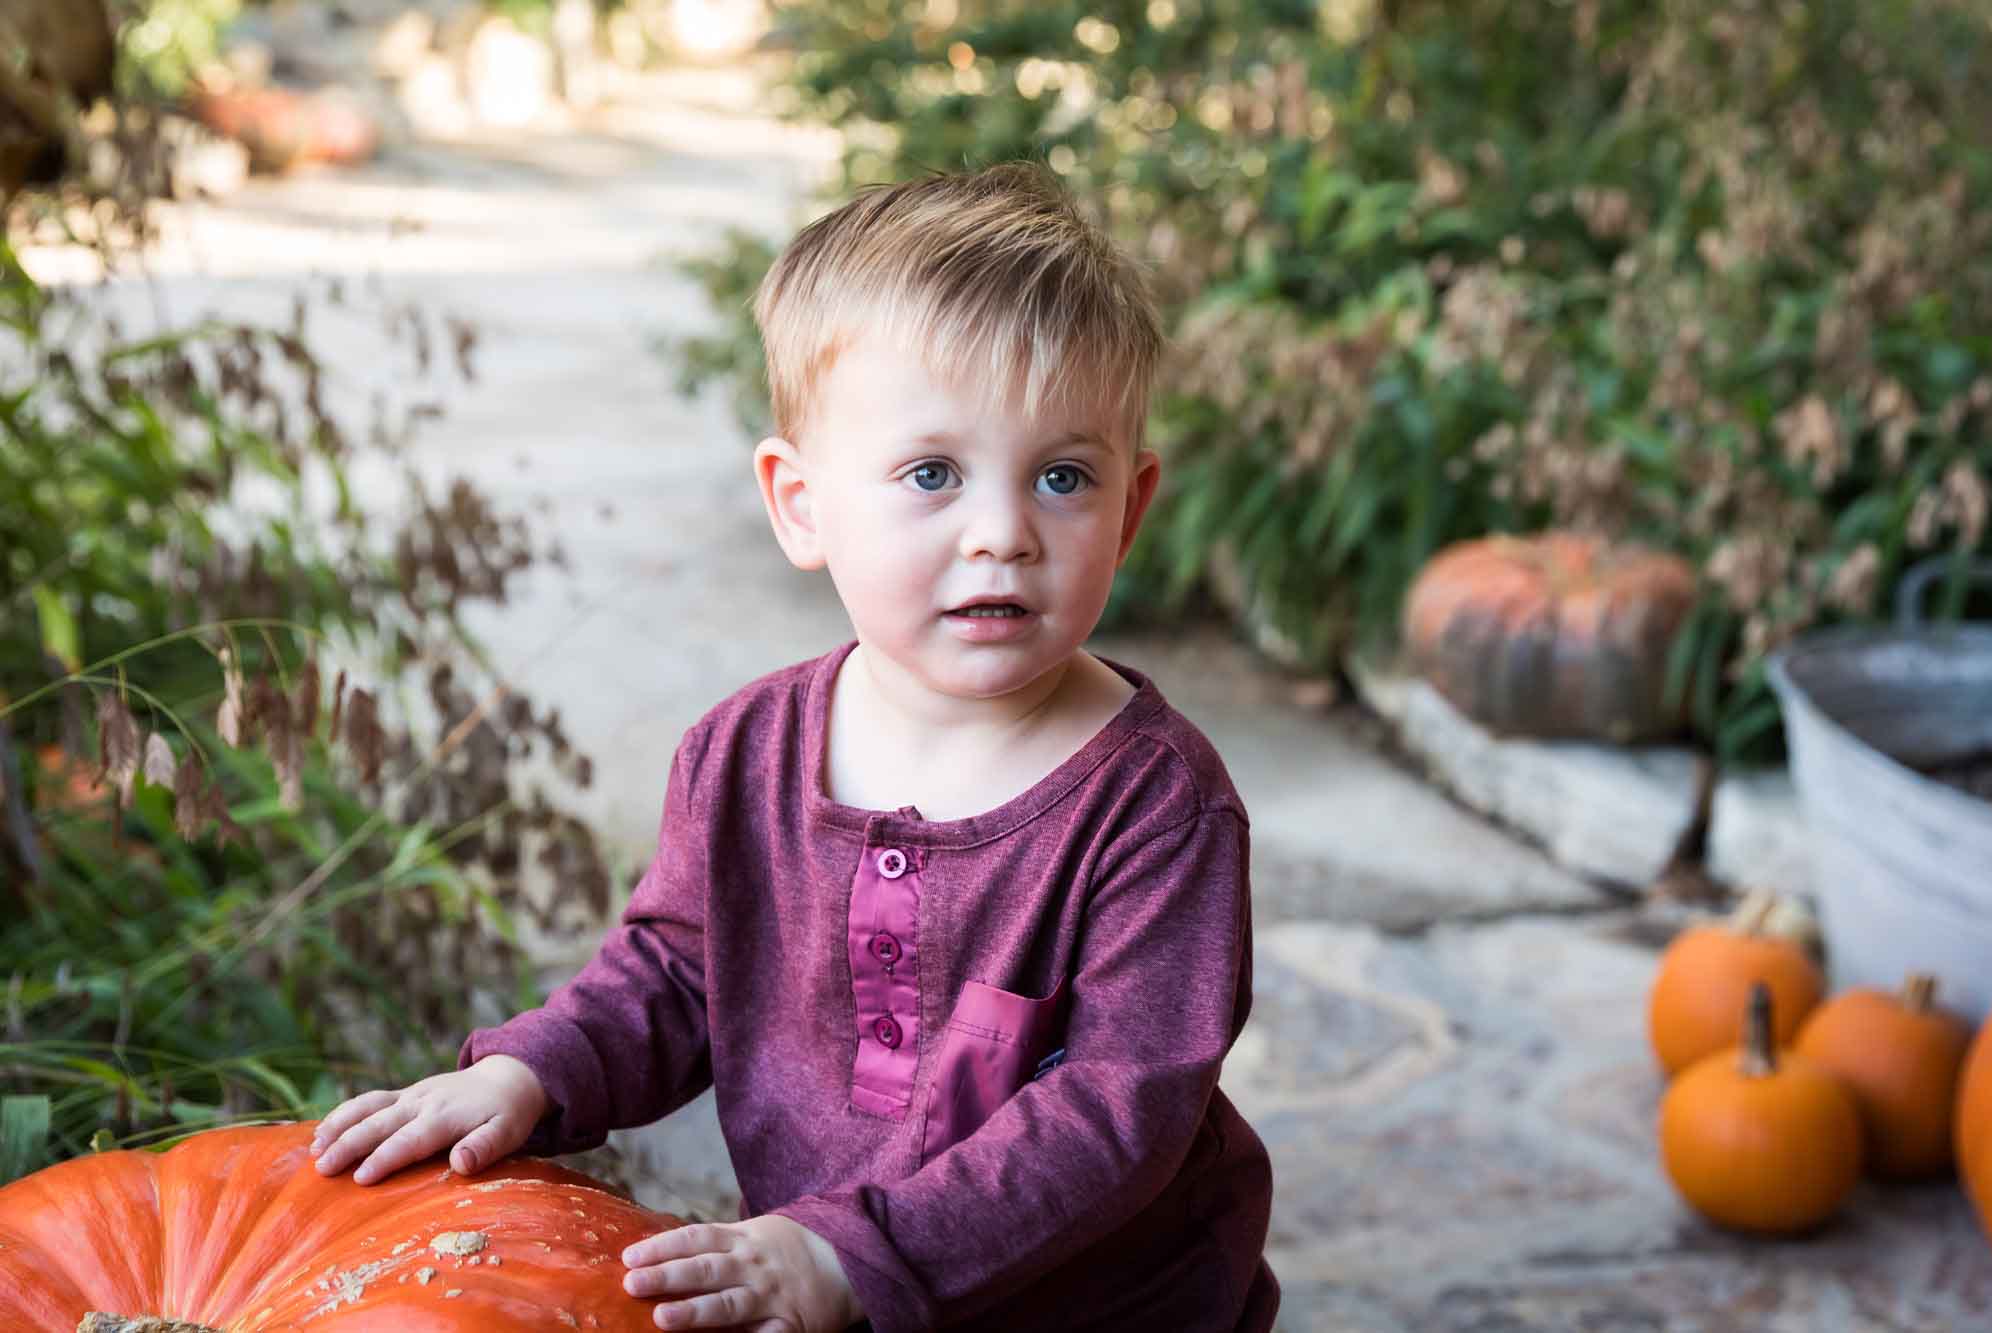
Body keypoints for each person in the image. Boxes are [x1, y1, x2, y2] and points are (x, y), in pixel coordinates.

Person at [309, 159, 1279, 1332]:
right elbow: (672, 977)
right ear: (800, 503)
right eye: (931, 473)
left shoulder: (1153, 806)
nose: (1001, 534)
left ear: (1128, 508)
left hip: (1107, 1305)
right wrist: (529, 1071)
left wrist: (849, 1255)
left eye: (1062, 476)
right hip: (828, 1281)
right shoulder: (745, 754)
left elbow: (1115, 1110)